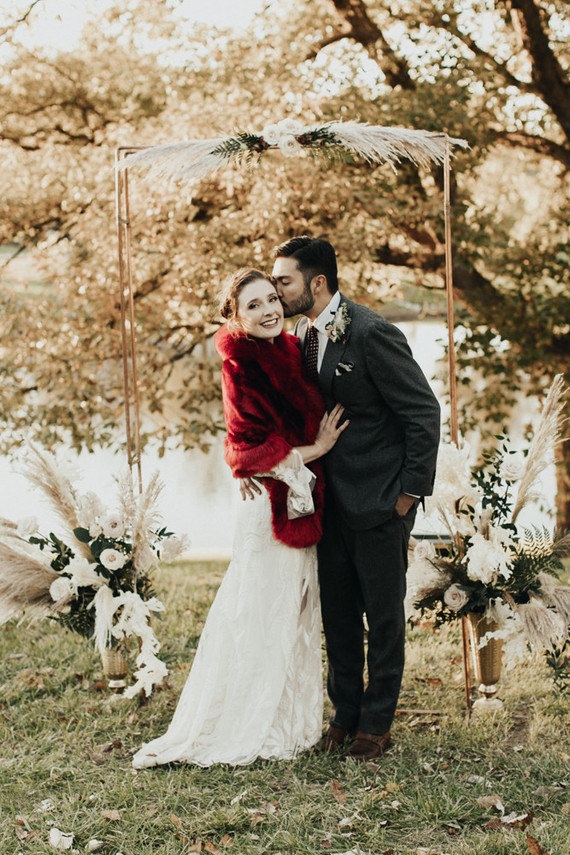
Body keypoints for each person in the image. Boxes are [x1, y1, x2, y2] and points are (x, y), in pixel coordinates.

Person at [132, 268, 347, 769]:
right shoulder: (242, 363)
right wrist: (317, 448)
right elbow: (249, 448)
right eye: (253, 305)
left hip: (295, 500)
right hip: (268, 511)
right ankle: (246, 722)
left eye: (272, 299)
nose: (269, 310)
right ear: (234, 315)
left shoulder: (290, 348)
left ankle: (287, 722)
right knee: (258, 613)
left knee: (291, 613)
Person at [271, 236, 441, 761]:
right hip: (327, 505)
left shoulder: (371, 332)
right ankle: (344, 717)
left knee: (383, 619)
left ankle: (376, 724)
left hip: (381, 502)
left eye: (284, 281)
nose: (277, 292)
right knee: (339, 617)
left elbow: (423, 412)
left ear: (317, 282)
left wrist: (408, 494)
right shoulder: (302, 334)